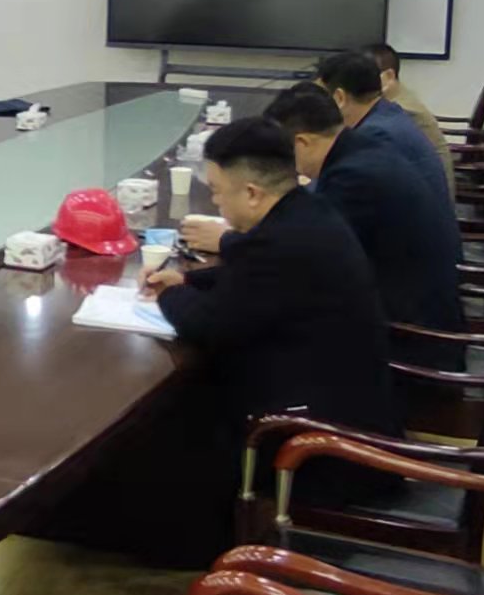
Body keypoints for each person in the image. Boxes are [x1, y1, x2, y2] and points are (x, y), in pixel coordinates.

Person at [136, 117, 401, 561]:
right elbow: (249, 283)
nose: (216, 202)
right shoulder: (307, 213)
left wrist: (167, 295)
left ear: (252, 193)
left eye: (217, 191)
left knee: (176, 415)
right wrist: (187, 280)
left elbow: (209, 325)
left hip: (317, 442)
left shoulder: (278, 244)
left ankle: (192, 547)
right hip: (346, 402)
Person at [261, 82, 465, 345]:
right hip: (412, 307)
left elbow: (308, 253)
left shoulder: (354, 176)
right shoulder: (361, 149)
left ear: (302, 143)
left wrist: (231, 238)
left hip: (410, 337)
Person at [316, 50, 454, 212]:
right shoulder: (387, 113)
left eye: (321, 98)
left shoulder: (375, 134)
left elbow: (341, 193)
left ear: (339, 98)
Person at [362, 41, 455, 191]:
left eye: (364, 77)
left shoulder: (400, 112)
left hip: (431, 196)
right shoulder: (399, 97)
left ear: (389, 76)